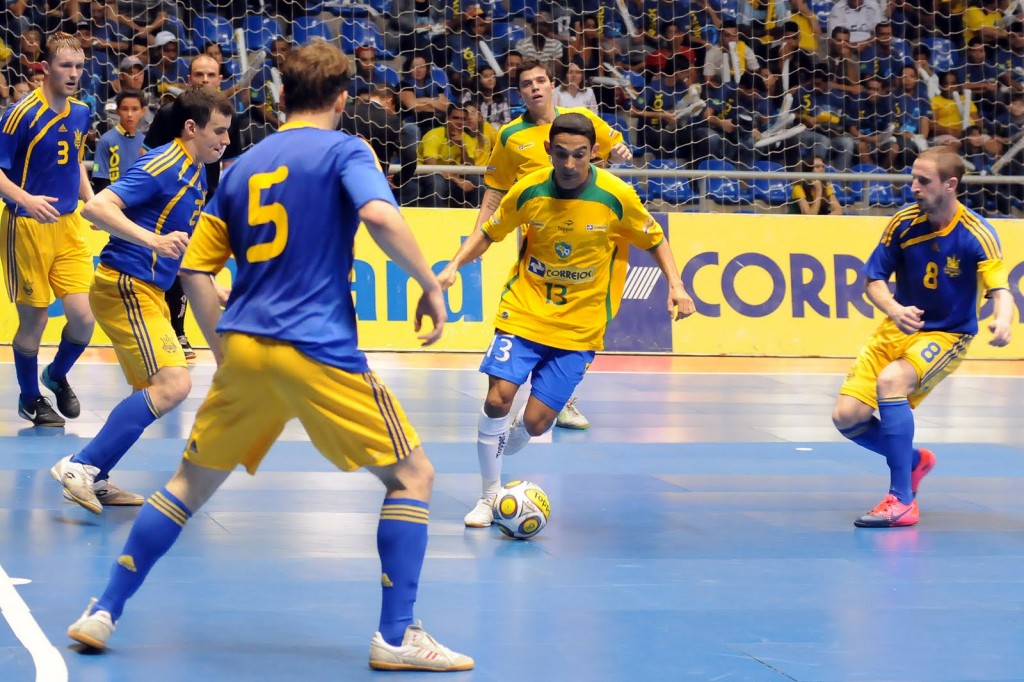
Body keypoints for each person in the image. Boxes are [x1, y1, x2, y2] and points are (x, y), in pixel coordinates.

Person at [65, 41, 474, 673]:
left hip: (250, 347)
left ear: (281, 98)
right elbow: (379, 215)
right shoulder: (347, 148)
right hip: (319, 349)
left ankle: (103, 609)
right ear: (343, 100)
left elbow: (197, 268)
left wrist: (225, 349)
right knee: (413, 478)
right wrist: (428, 283)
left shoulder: (241, 166)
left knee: (186, 486)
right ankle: (397, 637)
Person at [440, 112, 695, 529]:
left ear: (594, 152)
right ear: (549, 151)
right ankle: (489, 496)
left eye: (580, 154)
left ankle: (514, 437)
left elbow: (654, 238)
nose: (570, 164)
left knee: (538, 424)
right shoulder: (528, 190)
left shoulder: (616, 196)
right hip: (524, 310)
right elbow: (490, 231)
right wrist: (454, 266)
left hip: (580, 327)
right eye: (561, 154)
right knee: (497, 398)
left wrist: (676, 285)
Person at [52, 86, 233, 514]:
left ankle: (96, 475)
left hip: (148, 290)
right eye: (219, 132)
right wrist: (152, 240)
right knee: (175, 384)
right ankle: (80, 465)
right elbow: (95, 209)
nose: (225, 141)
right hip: (125, 285)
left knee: (153, 389)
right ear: (191, 128)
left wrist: (213, 285)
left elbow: (181, 250)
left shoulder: (199, 171)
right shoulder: (165, 163)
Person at [831, 147, 1013, 528]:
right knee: (847, 418)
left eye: (923, 181)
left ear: (950, 185)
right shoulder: (903, 222)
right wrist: (894, 309)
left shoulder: (977, 233)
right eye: (912, 178)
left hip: (947, 335)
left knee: (891, 381)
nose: (913, 187)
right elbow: (873, 280)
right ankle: (915, 462)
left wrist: (1003, 319)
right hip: (896, 328)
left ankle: (901, 499)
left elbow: (1001, 288)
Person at [474, 59, 632, 431]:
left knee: (580, 309)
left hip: (585, 228)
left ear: (552, 84)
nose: (535, 88)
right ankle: (530, 388)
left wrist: (619, 151)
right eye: (527, 83)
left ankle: (559, 396)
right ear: (520, 93)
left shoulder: (580, 120)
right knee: (534, 306)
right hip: (538, 232)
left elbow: (613, 146)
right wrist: (480, 235)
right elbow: (496, 190)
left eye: (541, 80)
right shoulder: (511, 136)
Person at [0, 32, 96, 427]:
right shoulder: (19, 114)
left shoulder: (81, 111)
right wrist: (27, 200)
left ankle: (55, 374)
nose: (73, 74)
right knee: (35, 321)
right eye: (65, 66)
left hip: (69, 225)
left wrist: (92, 200)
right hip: (26, 226)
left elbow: (73, 160)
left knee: (84, 319)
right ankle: (29, 398)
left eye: (79, 66)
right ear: (45, 67)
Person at [144, 53, 243, 361]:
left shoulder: (230, 118)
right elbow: (145, 159)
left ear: (219, 79)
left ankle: (195, 332)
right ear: (189, 78)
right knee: (175, 264)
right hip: (168, 201)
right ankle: (174, 331)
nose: (203, 79)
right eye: (198, 74)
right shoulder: (169, 113)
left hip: (208, 203)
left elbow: (231, 167)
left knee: (191, 268)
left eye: (210, 74)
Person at [93, 88, 147, 192]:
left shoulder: (145, 142)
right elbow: (100, 180)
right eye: (125, 109)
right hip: (113, 201)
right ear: (118, 111)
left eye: (135, 109)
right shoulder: (107, 140)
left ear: (143, 111)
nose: (130, 114)